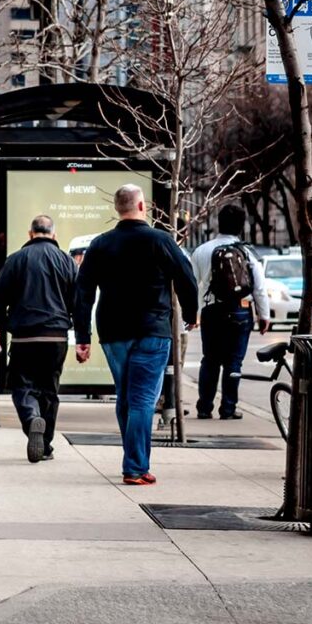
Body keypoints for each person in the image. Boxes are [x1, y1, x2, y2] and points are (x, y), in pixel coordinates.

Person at [74, 185, 198, 486]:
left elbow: (84, 292)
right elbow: (186, 278)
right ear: (142, 206)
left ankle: (135, 460)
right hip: (153, 329)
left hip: (113, 331)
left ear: (118, 208)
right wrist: (192, 314)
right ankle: (135, 466)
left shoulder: (101, 245)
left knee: (127, 395)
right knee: (143, 397)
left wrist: (82, 336)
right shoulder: (160, 241)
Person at [0, 215, 77, 463]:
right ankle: (45, 445)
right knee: (49, 390)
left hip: (24, 337)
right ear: (53, 235)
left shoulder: (16, 260)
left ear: (30, 233)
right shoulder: (67, 262)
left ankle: (30, 418)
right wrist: (82, 336)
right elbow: (78, 302)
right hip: (56, 337)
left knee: (22, 385)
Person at [191, 205, 271, 420]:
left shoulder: (202, 250)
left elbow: (193, 284)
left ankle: (204, 407)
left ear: (219, 223)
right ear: (240, 226)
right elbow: (259, 288)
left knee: (210, 360)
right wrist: (264, 316)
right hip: (239, 311)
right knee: (234, 362)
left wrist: (194, 313)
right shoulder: (246, 252)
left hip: (211, 311)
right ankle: (228, 408)